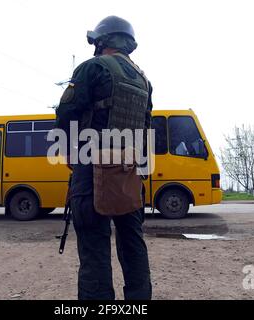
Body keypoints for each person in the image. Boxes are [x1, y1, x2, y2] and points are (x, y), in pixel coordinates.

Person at [55, 16, 153, 300]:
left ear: (100, 41)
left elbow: (66, 116)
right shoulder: (145, 82)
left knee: (94, 247)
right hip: (130, 172)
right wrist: (141, 171)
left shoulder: (92, 68)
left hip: (92, 170)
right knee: (133, 244)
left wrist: (71, 156)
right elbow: (146, 130)